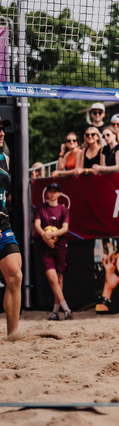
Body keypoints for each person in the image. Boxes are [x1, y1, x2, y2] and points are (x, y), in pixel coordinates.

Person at [34, 183, 72, 320]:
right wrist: (45, 237)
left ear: (59, 194)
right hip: (45, 246)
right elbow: (37, 225)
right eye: (50, 191)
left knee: (59, 279)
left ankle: (55, 311)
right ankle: (66, 308)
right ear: (47, 194)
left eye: (55, 191)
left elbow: (65, 228)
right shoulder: (41, 208)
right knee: (52, 278)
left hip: (59, 245)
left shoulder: (63, 209)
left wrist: (51, 235)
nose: (52, 194)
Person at [0, 119, 23, 339]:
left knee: (15, 275)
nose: (0, 132)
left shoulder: (5, 158)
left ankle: (12, 334)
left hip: (2, 223)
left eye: (1, 128)